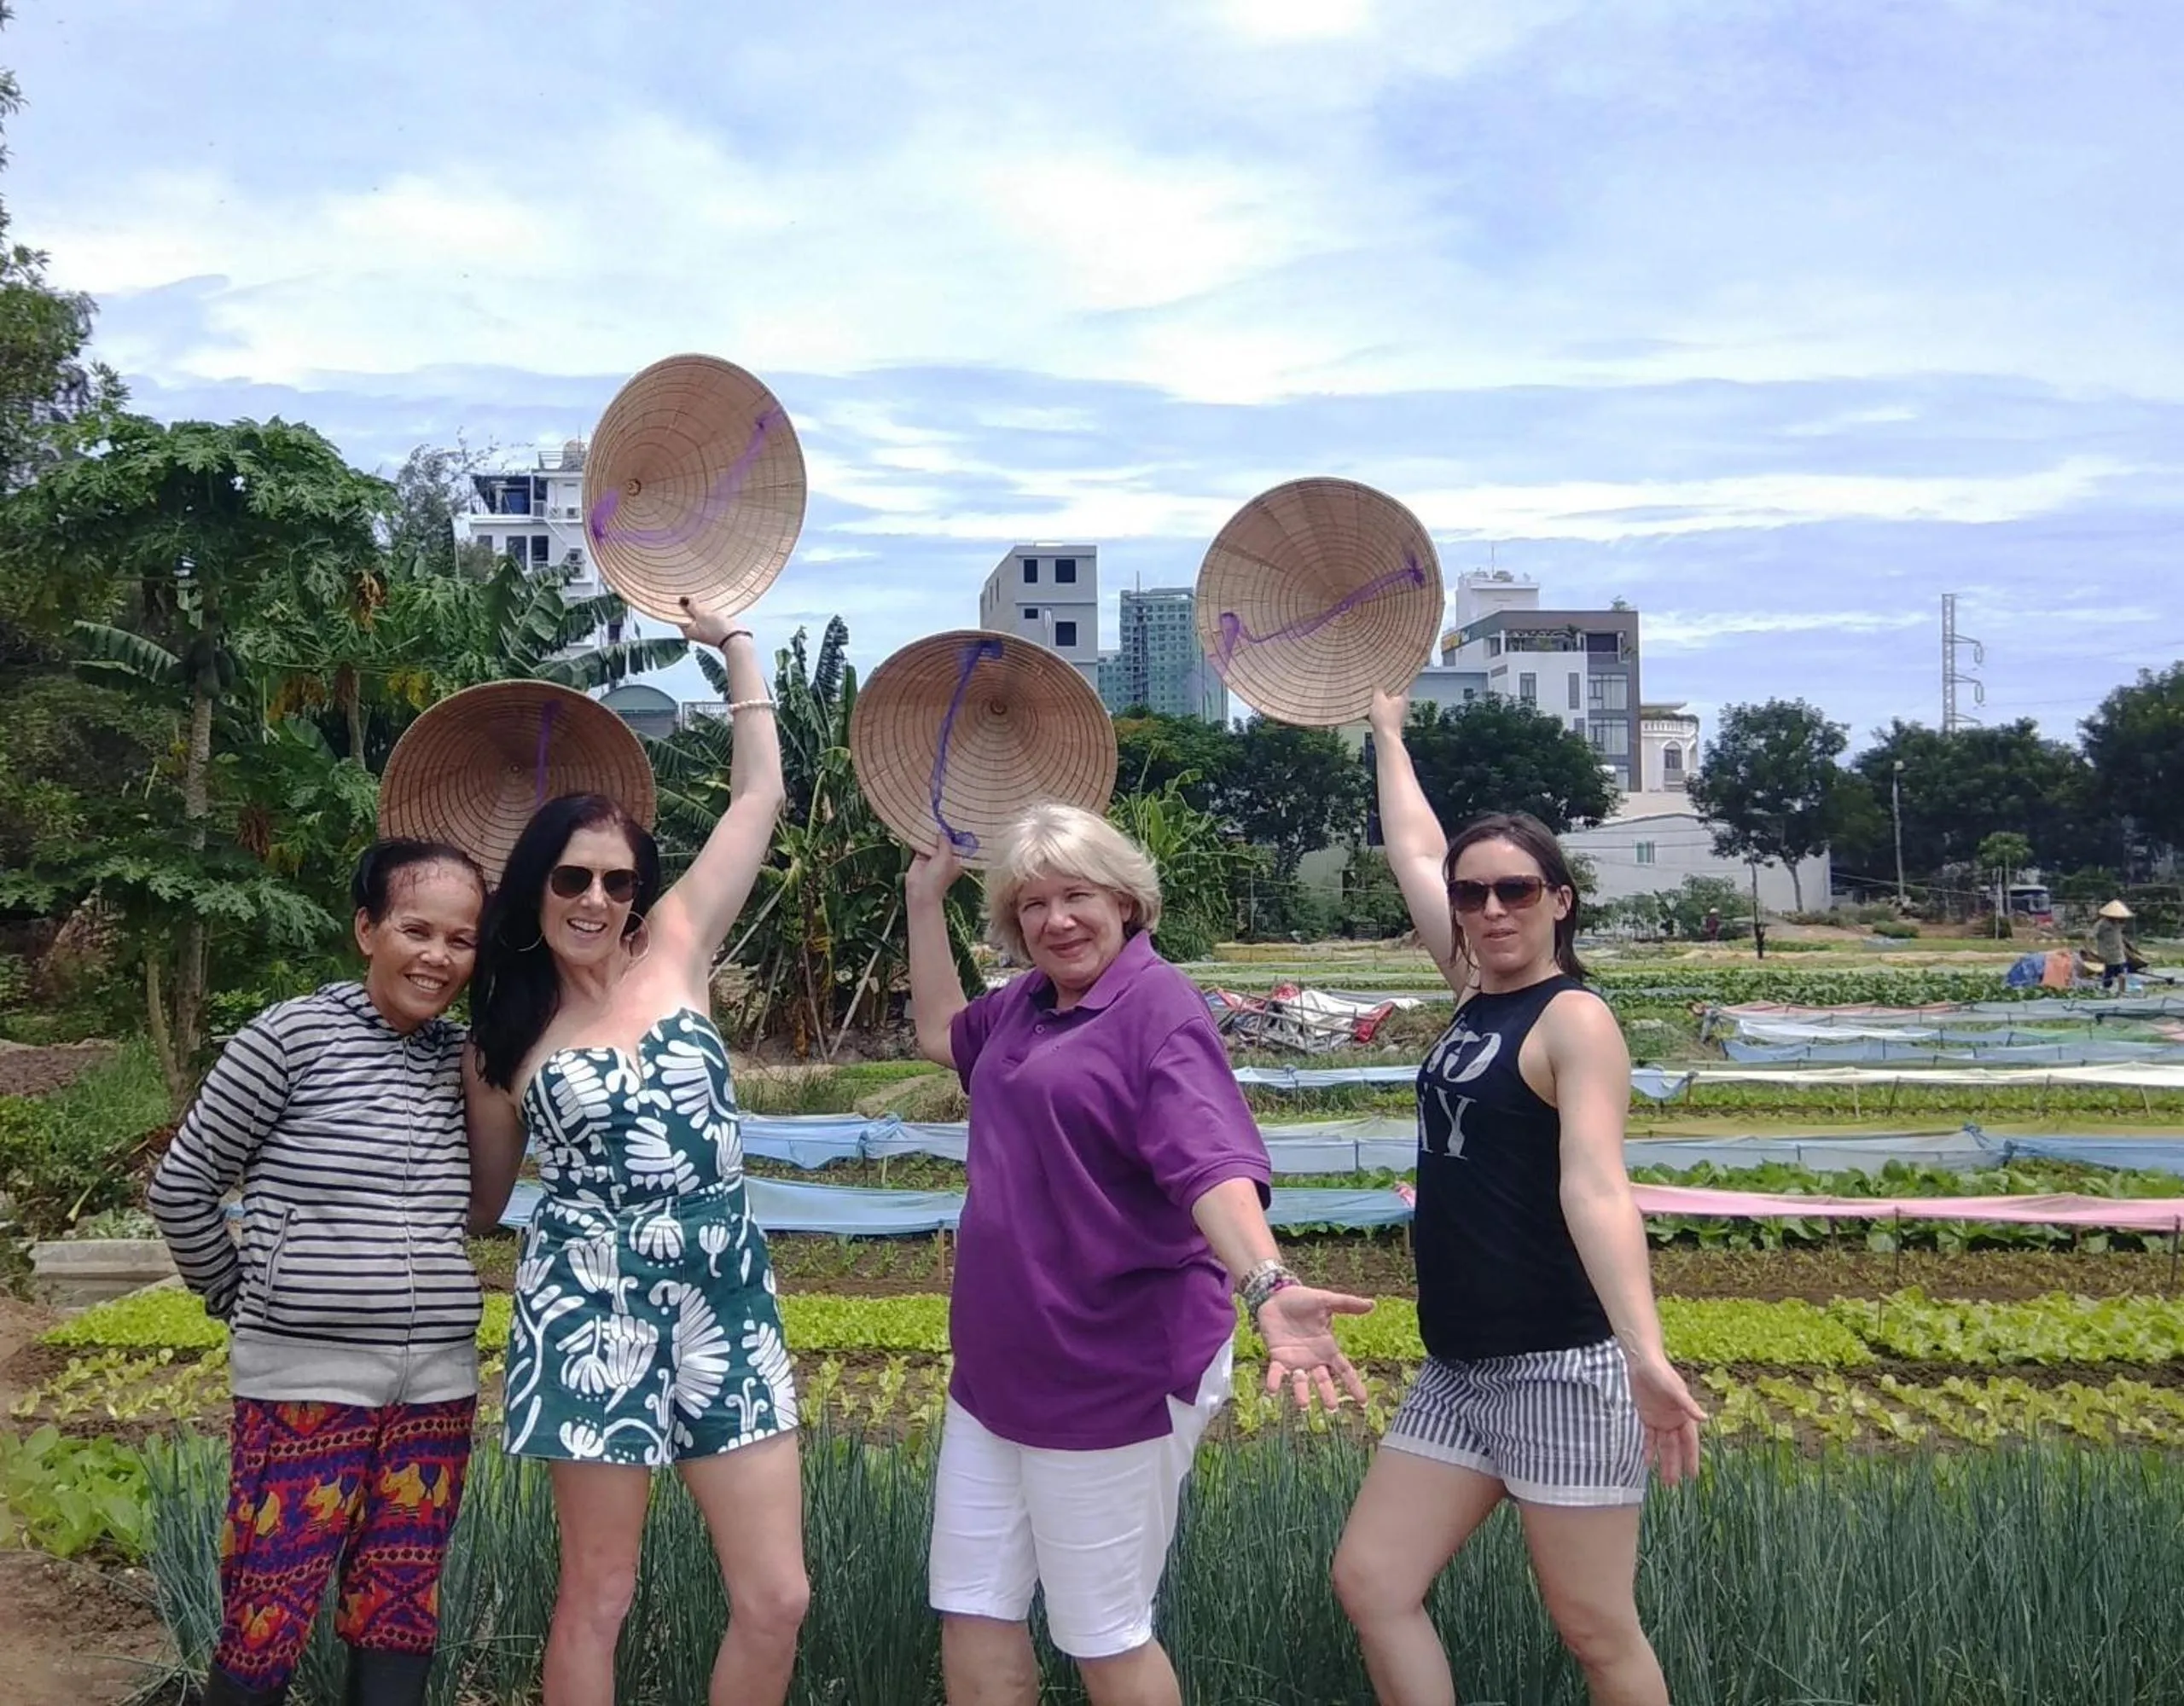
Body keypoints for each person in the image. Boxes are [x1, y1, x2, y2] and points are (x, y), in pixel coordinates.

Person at [903, 803, 1373, 1706]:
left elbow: (1210, 1161)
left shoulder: (1155, 1008)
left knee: (1104, 1632)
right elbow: (939, 1034)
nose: (1055, 920)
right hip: (999, 1371)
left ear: (1125, 901)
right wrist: (926, 902)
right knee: (971, 1609)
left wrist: (1267, 1283)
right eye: (1031, 905)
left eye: (1075, 894)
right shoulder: (1025, 1005)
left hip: (1113, 1369)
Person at [1333, 688, 1705, 1706]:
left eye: (1515, 889)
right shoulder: (1467, 988)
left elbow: (1595, 1186)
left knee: (1594, 1627)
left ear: (1559, 898)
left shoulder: (1573, 1019)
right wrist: (1387, 734)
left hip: (1557, 1365)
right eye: (1472, 893)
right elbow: (1416, 845)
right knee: (1372, 1580)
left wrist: (1645, 1352)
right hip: (1458, 1365)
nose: (1489, 907)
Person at [464, 604, 804, 1706]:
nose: (596, 899)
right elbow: (487, 1201)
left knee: (777, 1596)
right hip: (587, 1301)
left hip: (723, 1289)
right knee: (599, 1593)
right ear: (535, 891)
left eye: (616, 879)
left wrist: (737, 648)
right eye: (571, 879)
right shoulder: (505, 1037)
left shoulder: (679, 949)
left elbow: (759, 797)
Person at [148, 838, 490, 1706]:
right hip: (303, 1381)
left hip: (435, 1387)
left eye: (462, 938)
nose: (438, 955)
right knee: (268, 1610)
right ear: (366, 928)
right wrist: (238, 1290)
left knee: (399, 1611)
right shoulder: (290, 1036)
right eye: (417, 929)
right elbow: (183, 1182)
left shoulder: (463, 1060)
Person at [2095, 899, 2135, 992]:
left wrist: (2128, 945)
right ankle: (2106, 990)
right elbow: (2092, 936)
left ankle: (2122, 991)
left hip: (2119, 953)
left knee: (2121, 973)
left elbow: (2119, 936)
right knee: (2109, 973)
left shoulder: (2117, 924)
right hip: (2107, 953)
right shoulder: (2102, 925)